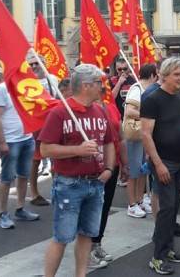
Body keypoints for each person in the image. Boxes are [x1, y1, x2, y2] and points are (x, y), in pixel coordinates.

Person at [40, 64, 116, 277]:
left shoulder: (100, 110)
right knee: (62, 237)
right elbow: (45, 149)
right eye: (98, 83)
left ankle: (80, 274)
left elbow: (109, 142)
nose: (102, 87)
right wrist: (78, 149)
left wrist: (109, 169)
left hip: (96, 182)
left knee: (87, 235)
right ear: (85, 86)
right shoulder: (59, 113)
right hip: (69, 184)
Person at [141, 58, 180, 275]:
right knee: (165, 210)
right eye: (177, 74)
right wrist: (158, 164)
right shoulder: (152, 99)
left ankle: (169, 248)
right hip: (165, 163)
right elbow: (145, 134)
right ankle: (157, 257)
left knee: (173, 208)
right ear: (164, 75)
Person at [90, 81, 130, 268]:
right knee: (91, 209)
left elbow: (120, 138)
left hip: (111, 166)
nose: (102, 87)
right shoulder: (82, 111)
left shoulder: (112, 108)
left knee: (104, 207)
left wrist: (125, 164)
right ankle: (87, 249)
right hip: (90, 169)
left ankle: (97, 243)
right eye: (97, 83)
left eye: (102, 83)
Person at [0, 77, 40, 228]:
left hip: (27, 138)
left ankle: (20, 209)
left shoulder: (27, 87)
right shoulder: (1, 89)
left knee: (23, 175)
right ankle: (3, 214)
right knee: (6, 178)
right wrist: (2, 142)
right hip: (10, 141)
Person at [124, 64, 158, 218]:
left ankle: (140, 199)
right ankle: (132, 204)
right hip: (134, 135)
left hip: (143, 134)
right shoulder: (136, 89)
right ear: (152, 75)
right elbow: (129, 110)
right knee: (134, 171)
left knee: (143, 169)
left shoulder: (147, 90)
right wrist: (146, 116)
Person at [27, 53, 59, 206]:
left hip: (51, 123)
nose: (33, 66)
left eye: (36, 63)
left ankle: (56, 190)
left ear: (44, 63)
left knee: (56, 158)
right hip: (35, 125)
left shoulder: (53, 79)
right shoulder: (26, 82)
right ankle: (34, 193)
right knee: (35, 160)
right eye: (31, 64)